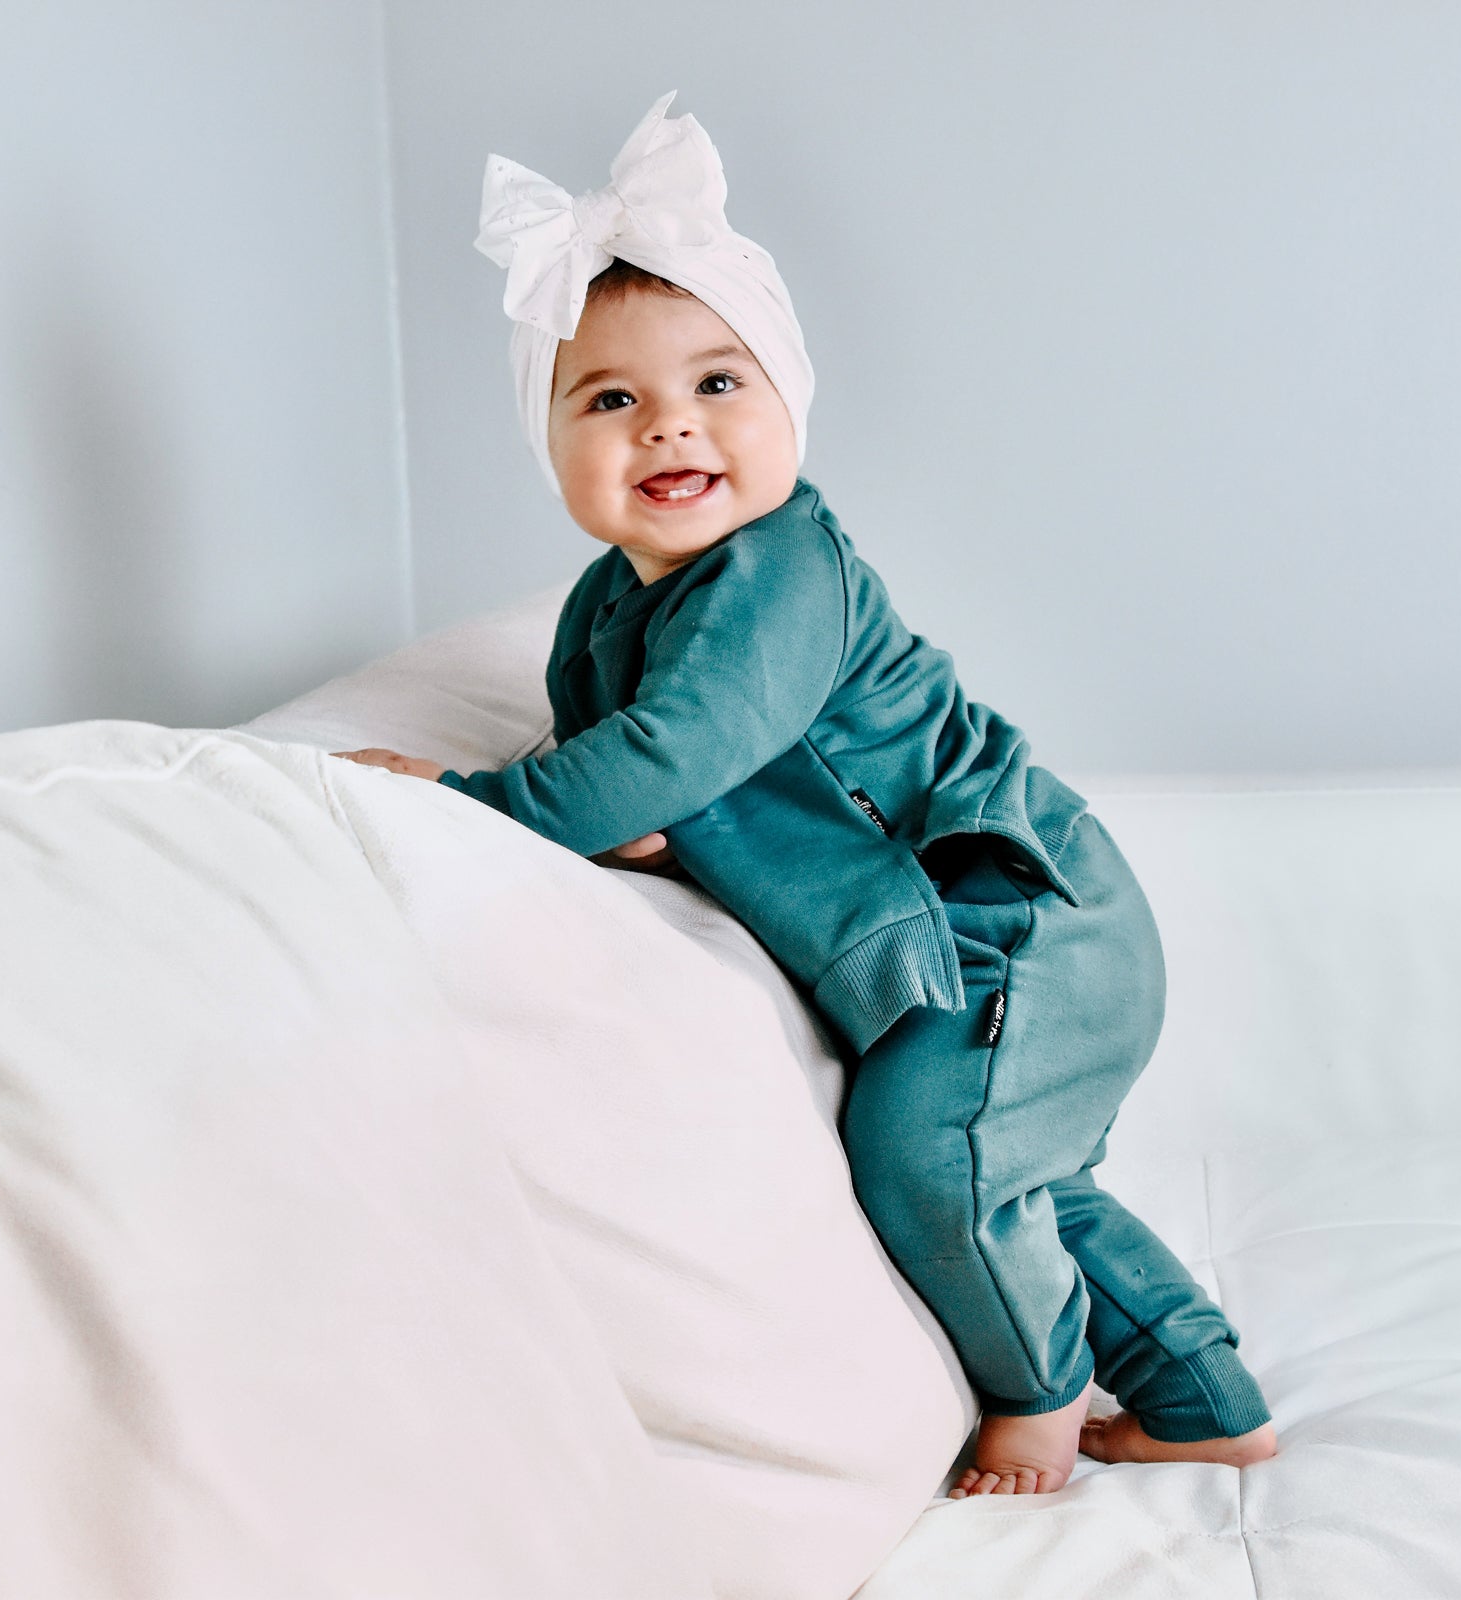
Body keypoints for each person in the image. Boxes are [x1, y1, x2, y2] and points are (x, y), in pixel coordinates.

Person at [336, 94, 1276, 1498]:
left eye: (719, 382)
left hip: (1021, 917)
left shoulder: (781, 572)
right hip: (959, 938)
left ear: (789, 402)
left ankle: (1037, 1395)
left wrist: (471, 803)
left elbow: (667, 755)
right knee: (1017, 1180)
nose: (671, 425)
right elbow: (635, 789)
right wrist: (637, 843)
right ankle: (1204, 1399)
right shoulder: (600, 610)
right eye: (611, 400)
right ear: (553, 444)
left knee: (927, 1153)